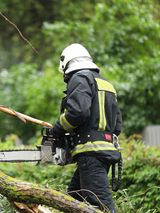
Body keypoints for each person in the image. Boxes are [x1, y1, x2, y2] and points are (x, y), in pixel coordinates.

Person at [46, 43, 122, 212]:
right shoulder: (106, 84)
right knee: (73, 198)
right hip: (104, 151)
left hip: (91, 153)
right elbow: (117, 126)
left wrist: (57, 129)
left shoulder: (80, 78)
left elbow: (78, 112)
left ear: (67, 64)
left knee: (101, 206)